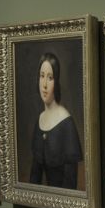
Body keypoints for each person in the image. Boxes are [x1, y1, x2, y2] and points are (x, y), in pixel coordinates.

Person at [29, 52, 82, 189]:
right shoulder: (39, 120)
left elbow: (70, 183)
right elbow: (34, 177)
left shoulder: (66, 123)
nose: (44, 85)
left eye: (50, 78)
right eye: (42, 76)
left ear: (56, 81)